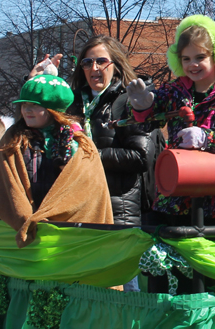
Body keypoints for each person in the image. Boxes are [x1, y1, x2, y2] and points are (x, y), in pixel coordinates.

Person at [127, 14, 215, 225]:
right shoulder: (174, 90)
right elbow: (147, 122)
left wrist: (206, 138)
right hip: (176, 196)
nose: (193, 65)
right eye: (186, 59)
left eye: (200, 57)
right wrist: (142, 104)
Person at [0, 74, 113, 248]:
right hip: (19, 227)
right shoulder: (13, 140)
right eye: (24, 105)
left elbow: (89, 191)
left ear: (53, 110)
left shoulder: (79, 144)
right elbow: (5, 183)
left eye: (34, 105)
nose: (26, 110)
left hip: (63, 233)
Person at [67, 36, 157, 227]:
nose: (94, 68)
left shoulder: (130, 101)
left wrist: (90, 156)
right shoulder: (72, 104)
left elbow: (141, 156)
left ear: (116, 64)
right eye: (87, 62)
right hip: (78, 210)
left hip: (118, 213)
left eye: (101, 61)